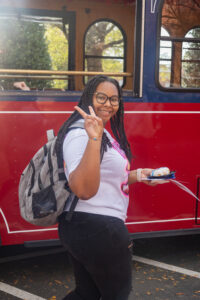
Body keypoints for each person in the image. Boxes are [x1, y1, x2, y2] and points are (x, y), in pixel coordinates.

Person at [56, 75, 167, 300]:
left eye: (114, 99)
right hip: (99, 228)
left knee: (86, 294)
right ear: (89, 97)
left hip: (89, 227)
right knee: (116, 295)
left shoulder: (101, 132)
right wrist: (94, 139)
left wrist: (139, 175)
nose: (108, 104)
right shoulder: (81, 133)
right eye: (101, 97)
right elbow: (83, 189)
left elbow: (107, 177)